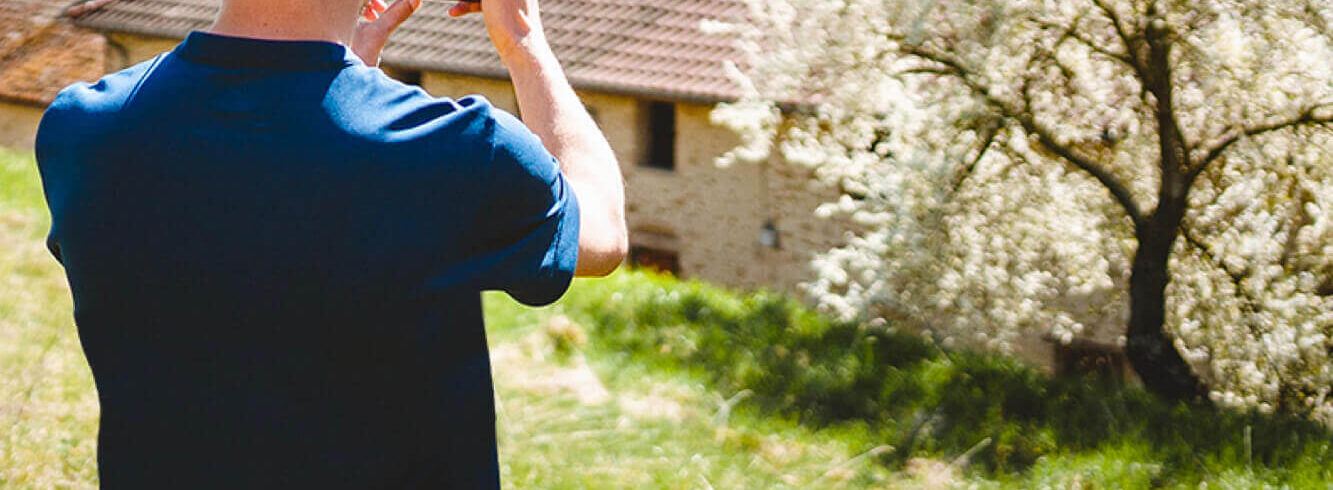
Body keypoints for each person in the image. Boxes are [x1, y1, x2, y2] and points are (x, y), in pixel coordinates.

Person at [34, 0, 626, 486]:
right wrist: (522, 40)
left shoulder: (82, 130)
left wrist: (343, 78)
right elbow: (601, 230)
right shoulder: (462, 151)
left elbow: (245, 218)